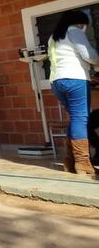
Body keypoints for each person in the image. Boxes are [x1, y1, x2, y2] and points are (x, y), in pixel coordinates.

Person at [48, 10, 99, 175]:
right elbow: (89, 55)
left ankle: (70, 161)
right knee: (81, 119)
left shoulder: (53, 37)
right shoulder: (75, 31)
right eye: (83, 24)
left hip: (56, 81)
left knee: (75, 119)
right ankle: (83, 162)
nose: (84, 27)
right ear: (79, 22)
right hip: (75, 79)